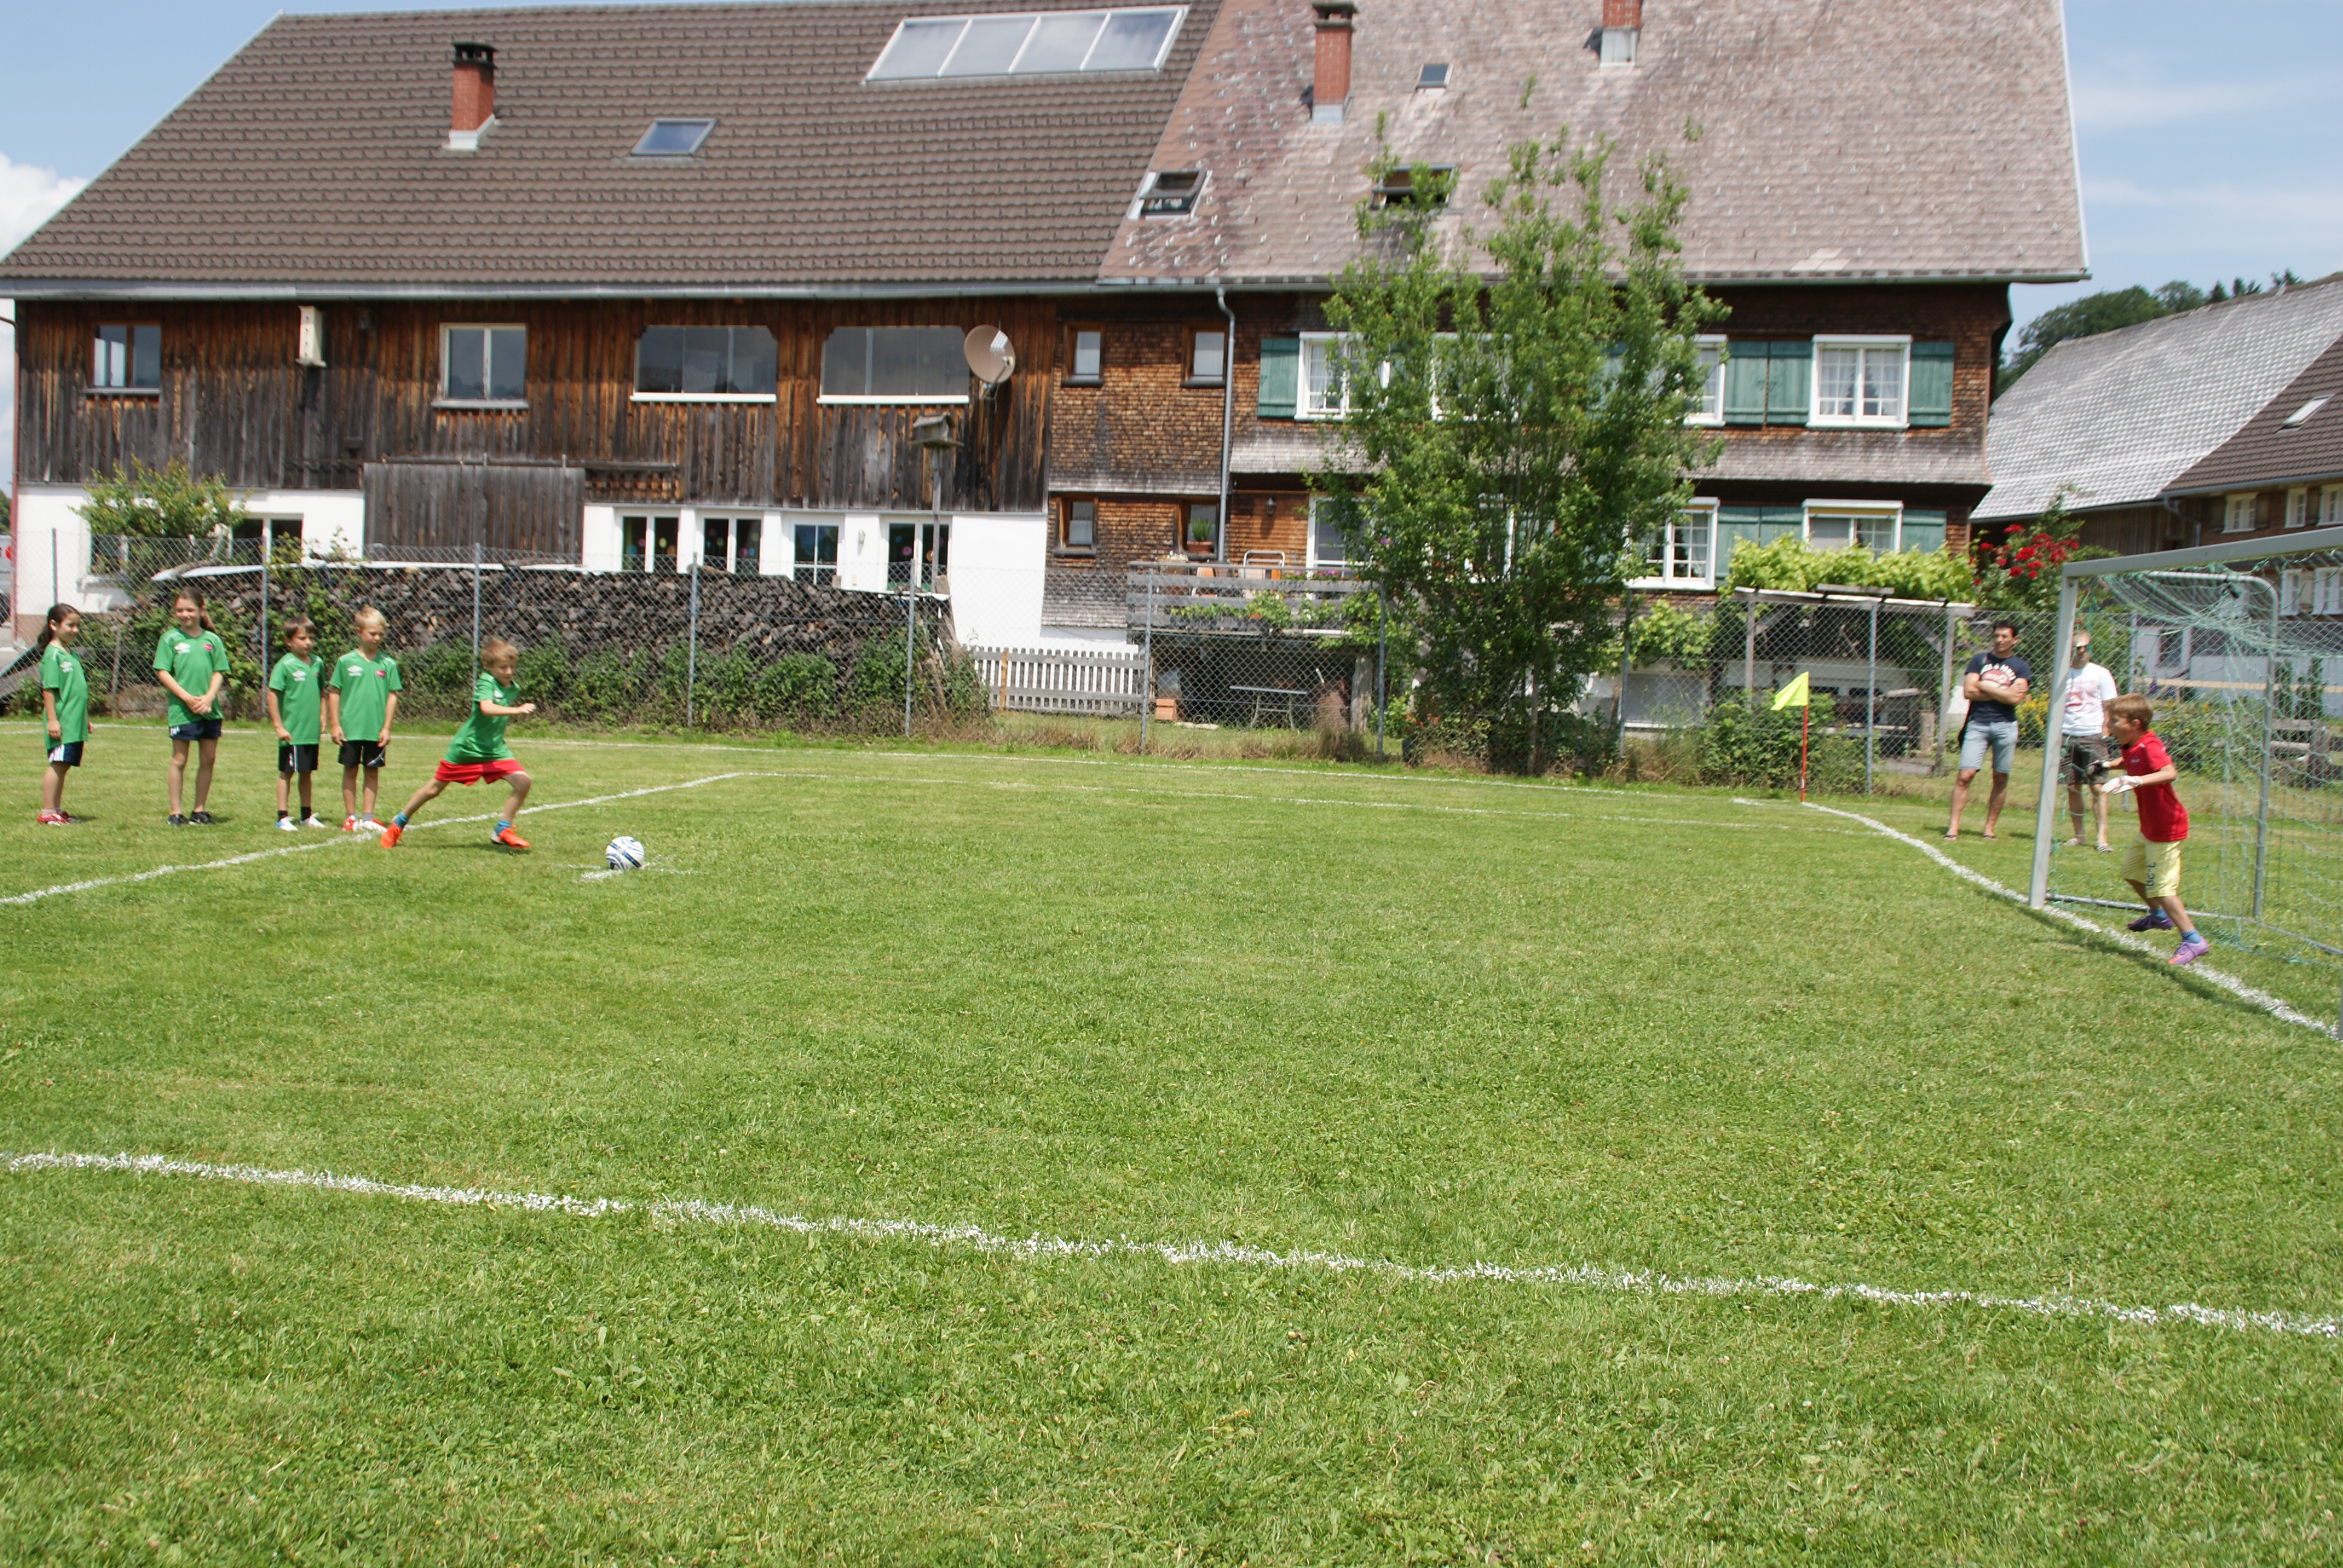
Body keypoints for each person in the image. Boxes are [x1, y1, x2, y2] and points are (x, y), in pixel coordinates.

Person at [379, 638, 537, 850]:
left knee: (523, 782)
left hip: (494, 749)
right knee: (433, 790)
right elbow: (486, 708)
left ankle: (503, 829)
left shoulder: (510, 686)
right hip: (467, 749)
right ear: (488, 667)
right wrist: (516, 710)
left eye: (512, 667)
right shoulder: (486, 682)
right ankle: (398, 824)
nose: (509, 672)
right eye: (503, 667)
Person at [2101, 693, 2209, 966]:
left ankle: (2193, 940)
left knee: (2161, 889)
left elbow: (2169, 772)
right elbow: (2129, 760)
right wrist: (2107, 765)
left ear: (2134, 724)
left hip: (2166, 827)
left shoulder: (2149, 745)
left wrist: (2136, 781)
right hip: (2149, 827)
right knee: (2131, 872)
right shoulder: (2132, 745)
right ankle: (2159, 917)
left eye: (2114, 721)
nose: (2109, 725)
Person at [1945, 619, 2030, 841]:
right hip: (1978, 724)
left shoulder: (2020, 666)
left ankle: (1989, 829)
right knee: (1965, 776)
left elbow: (2014, 699)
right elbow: (1969, 692)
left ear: (2014, 640)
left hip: (2006, 726)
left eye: (2004, 637)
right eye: (1996, 636)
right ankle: (1953, 828)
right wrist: (2002, 691)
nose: (1999, 640)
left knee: (2000, 777)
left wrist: (1984, 685)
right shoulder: (1979, 661)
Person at [154, 586, 231, 827]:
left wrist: (209, 697)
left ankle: (199, 810)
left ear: (201, 610)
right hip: (182, 710)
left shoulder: (212, 640)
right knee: (179, 759)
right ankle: (176, 812)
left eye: (190, 610)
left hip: (209, 710)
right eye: (180, 610)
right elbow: (163, 672)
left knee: (208, 758)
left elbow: (219, 671)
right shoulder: (170, 639)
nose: (184, 614)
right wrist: (187, 698)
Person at [328, 607, 402, 833]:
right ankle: (350, 817)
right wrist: (335, 724)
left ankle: (368, 816)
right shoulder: (345, 662)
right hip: (350, 729)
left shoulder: (388, 664)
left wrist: (387, 727)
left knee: (372, 771)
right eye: (372, 633)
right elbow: (334, 691)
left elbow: (392, 695)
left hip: (375, 730)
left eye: (381, 634)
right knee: (350, 770)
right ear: (358, 632)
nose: (377, 638)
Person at [2059, 629, 2122, 852]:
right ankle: (2079, 836)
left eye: (2085, 647)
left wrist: (2104, 733)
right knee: (2073, 787)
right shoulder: (2062, 674)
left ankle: (2102, 839)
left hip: (2093, 736)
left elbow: (2110, 706)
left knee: (2097, 787)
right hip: (2067, 736)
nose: (2082, 651)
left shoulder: (2101, 674)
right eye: (2077, 647)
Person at [266, 618, 330, 831]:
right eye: (302, 638)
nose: (308, 642)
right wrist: (279, 726)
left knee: (306, 772)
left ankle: (306, 815)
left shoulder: (318, 663)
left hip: (310, 732)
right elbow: (272, 694)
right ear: (288, 641)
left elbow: (322, 691)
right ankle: (282, 817)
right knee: (287, 772)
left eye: (311, 638)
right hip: (292, 732)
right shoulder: (285, 665)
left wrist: (323, 716)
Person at [36, 603, 88, 826]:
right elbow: (49, 689)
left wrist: (84, 719)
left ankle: (56, 810)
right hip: (62, 722)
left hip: (74, 722)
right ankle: (47, 812)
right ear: (54, 625)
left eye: (77, 626)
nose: (75, 630)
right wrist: (52, 720)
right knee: (57, 763)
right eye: (70, 625)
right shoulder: (53, 655)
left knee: (64, 765)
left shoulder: (70, 653)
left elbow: (76, 690)